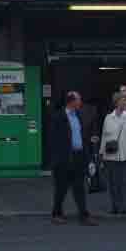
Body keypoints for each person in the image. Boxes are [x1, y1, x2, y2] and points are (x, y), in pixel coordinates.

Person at [47, 91, 97, 225]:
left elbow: (83, 136)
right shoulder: (58, 117)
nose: (81, 102)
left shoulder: (79, 116)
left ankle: (84, 216)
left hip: (78, 156)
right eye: (79, 100)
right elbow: (53, 140)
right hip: (64, 158)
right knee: (61, 188)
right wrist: (55, 159)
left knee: (79, 187)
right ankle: (56, 214)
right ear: (71, 101)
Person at [99, 91, 126, 214]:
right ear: (117, 102)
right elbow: (104, 136)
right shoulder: (108, 118)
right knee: (113, 183)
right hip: (110, 156)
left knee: (125, 183)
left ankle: (123, 207)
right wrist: (101, 153)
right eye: (123, 100)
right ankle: (114, 206)